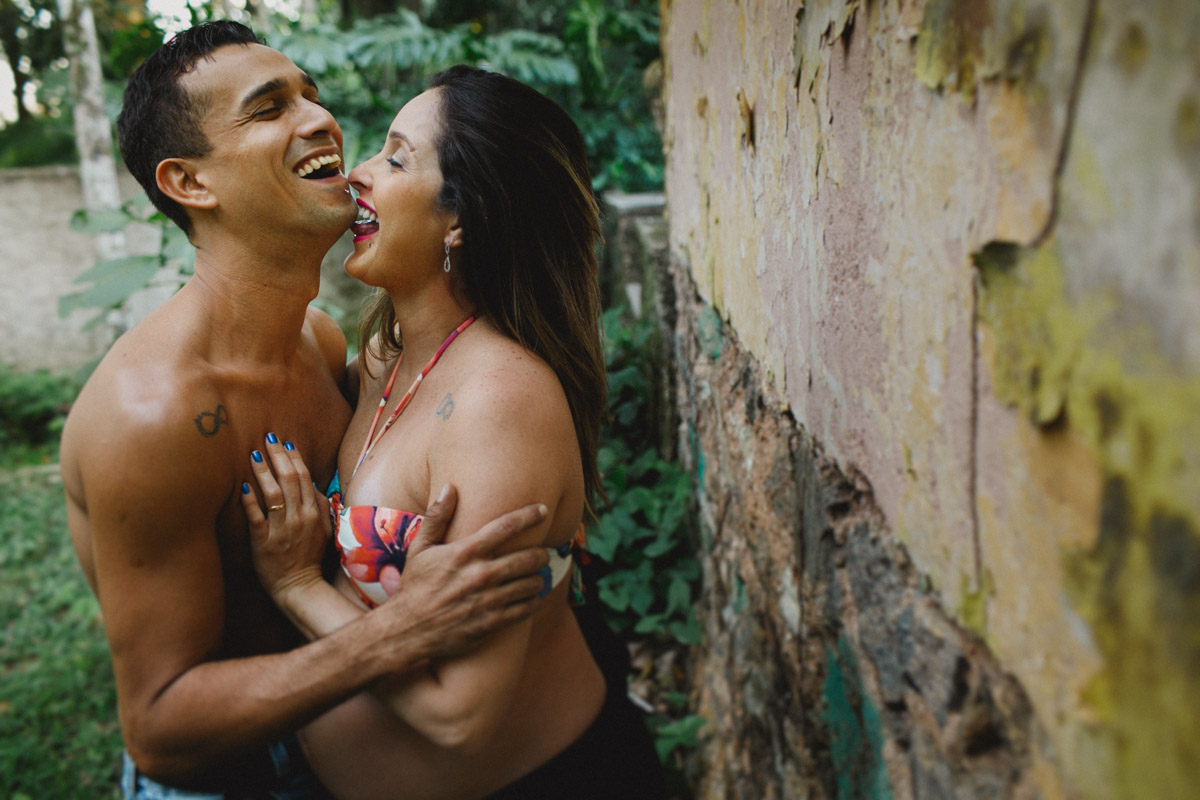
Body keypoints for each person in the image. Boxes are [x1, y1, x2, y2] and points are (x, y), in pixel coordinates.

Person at [59, 21, 552, 799]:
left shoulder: (320, 345)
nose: (320, 120)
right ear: (191, 184)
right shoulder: (154, 415)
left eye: (311, 97)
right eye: (269, 109)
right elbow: (158, 729)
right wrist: (396, 634)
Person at [242, 66, 666, 798]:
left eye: (397, 157)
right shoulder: (380, 358)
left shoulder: (499, 403)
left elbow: (459, 715)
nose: (360, 175)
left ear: (461, 217)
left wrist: (297, 585)